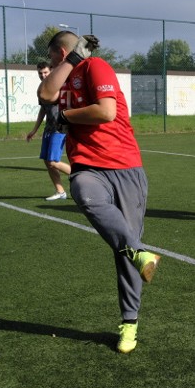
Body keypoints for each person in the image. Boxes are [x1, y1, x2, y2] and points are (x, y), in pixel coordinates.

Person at [37, 31, 160, 354]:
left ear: (59, 52)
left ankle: (129, 323)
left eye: (52, 57)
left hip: (125, 168)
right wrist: (69, 62)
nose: (49, 64)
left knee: (124, 255)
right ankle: (137, 250)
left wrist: (65, 117)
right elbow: (45, 92)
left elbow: (106, 111)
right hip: (89, 168)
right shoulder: (63, 79)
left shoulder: (97, 68)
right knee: (81, 189)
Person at [26, 62, 71, 200]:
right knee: (47, 161)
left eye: (45, 72)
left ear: (51, 71)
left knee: (52, 161)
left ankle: (83, 175)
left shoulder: (60, 86)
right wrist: (34, 130)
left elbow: (68, 105)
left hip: (60, 128)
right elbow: (43, 110)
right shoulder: (43, 89)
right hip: (48, 129)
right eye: (40, 73)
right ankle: (60, 191)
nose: (43, 75)